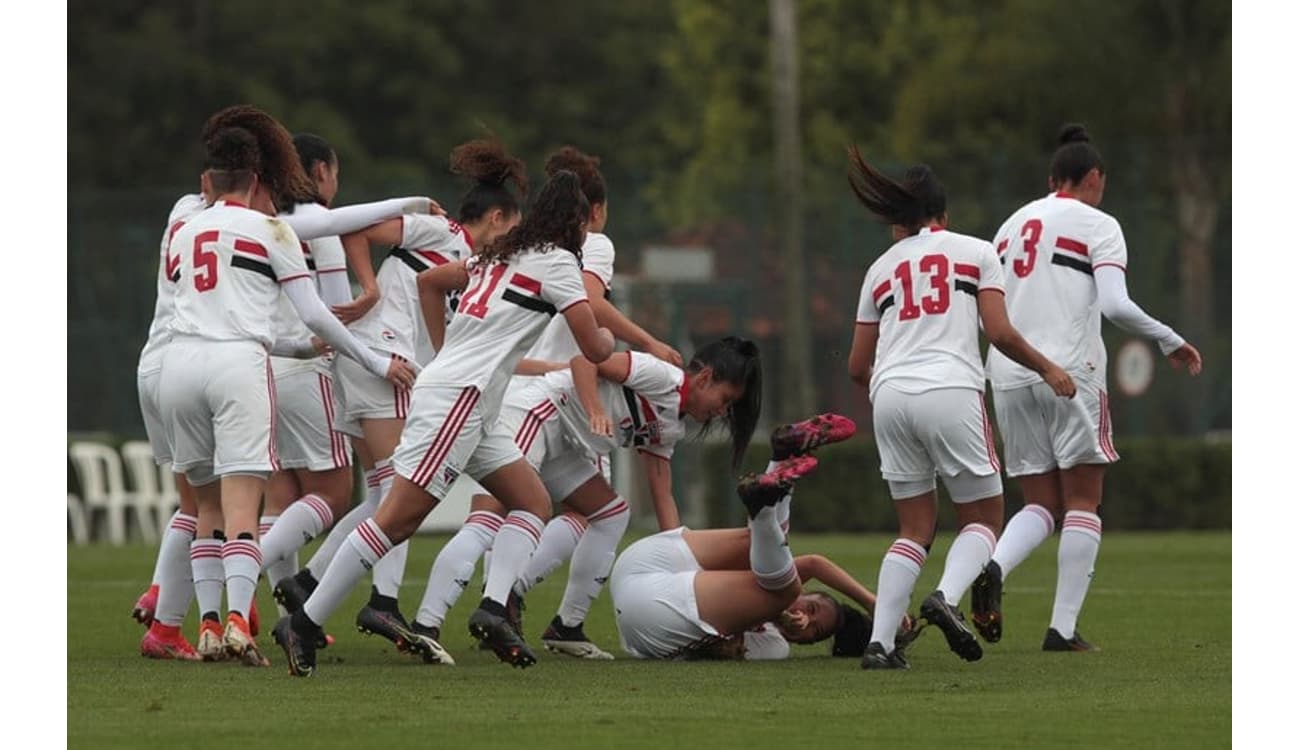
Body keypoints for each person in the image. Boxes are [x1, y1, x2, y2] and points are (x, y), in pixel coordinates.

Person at [273, 169, 615, 676]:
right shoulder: (560, 262)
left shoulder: (502, 252)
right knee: (397, 519)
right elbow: (593, 346)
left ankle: (495, 608)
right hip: (459, 399)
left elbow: (429, 283)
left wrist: (439, 353)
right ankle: (303, 621)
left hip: (474, 402)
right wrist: (610, 342)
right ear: (576, 222)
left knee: (532, 501)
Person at [133, 122, 435, 661]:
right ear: (254, 179)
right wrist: (372, 358)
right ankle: (236, 623)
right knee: (246, 502)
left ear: (211, 177)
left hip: (176, 362)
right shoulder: (270, 230)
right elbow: (316, 312)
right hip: (238, 365)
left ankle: (202, 623)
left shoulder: (181, 224)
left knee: (205, 505)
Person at [268, 139, 527, 660]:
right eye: (513, 228)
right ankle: (380, 600)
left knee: (381, 492)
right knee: (399, 490)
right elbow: (359, 230)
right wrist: (370, 289)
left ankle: (307, 583)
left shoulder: (470, 262)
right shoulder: (445, 232)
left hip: (371, 360)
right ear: (496, 218)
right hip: (380, 355)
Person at [425, 146, 682, 659]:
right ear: (594, 213)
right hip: (543, 399)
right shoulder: (589, 247)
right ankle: (439, 617)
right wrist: (648, 343)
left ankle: (533, 611)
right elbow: (589, 307)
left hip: (540, 394)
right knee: (492, 513)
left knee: (597, 511)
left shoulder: (516, 251)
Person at [970, 124, 1203, 653]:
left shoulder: (1008, 227)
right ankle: (1063, 630)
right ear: (1094, 177)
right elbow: (1116, 305)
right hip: (1069, 373)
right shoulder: (1099, 223)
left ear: (1053, 178)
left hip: (1007, 373)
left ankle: (994, 567)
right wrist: (1168, 340)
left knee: (1039, 504)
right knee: (1082, 502)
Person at [843, 148, 1076, 670]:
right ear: (943, 216)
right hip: (951, 389)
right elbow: (999, 333)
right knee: (983, 518)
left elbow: (858, 366)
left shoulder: (879, 270)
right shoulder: (975, 252)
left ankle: (880, 644)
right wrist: (1048, 368)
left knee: (914, 529)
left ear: (901, 223)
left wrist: (891, 385)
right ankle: (945, 598)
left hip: (889, 396)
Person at [410, 337, 761, 660]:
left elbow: (661, 492)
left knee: (611, 513)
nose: (723, 412)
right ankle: (430, 624)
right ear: (705, 379)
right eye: (726, 399)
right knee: (490, 517)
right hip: (538, 412)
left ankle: (567, 626)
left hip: (564, 443)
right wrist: (595, 409)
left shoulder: (673, 426)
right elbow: (584, 361)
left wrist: (679, 562)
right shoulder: (662, 376)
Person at [611, 414, 897, 660]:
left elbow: (725, 648)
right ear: (807, 592)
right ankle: (771, 486)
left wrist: (773, 615)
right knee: (770, 564)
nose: (805, 621)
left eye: (813, 633)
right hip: (646, 570)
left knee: (771, 567)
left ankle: (774, 477)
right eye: (810, 608)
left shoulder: (775, 645)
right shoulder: (779, 580)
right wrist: (875, 604)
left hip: (650, 609)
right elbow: (812, 564)